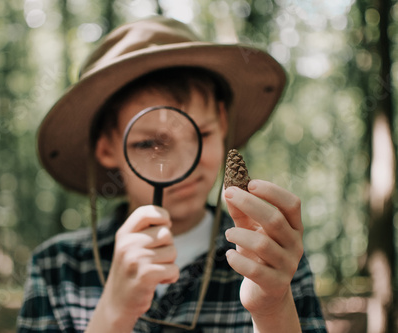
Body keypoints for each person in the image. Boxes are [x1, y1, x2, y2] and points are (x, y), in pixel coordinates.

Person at [17, 16, 327, 333]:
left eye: (201, 134)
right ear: (107, 148)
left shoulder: (272, 256)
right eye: (150, 143)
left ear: (222, 124)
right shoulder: (58, 268)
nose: (181, 166)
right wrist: (112, 315)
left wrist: (273, 309)